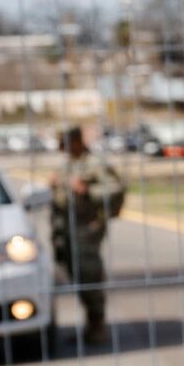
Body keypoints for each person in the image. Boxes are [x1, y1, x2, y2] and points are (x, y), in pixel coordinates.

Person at [48, 126, 124, 349]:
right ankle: (90, 326)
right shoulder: (66, 164)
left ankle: (97, 325)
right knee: (75, 273)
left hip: (86, 228)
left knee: (89, 275)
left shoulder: (94, 164)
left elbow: (115, 188)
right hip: (65, 228)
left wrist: (87, 190)